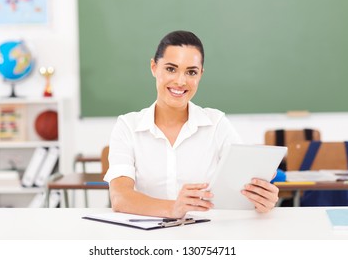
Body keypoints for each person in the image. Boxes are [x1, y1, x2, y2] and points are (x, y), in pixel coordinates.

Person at [103, 30, 279, 218]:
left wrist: (261, 200)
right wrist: (173, 208)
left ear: (200, 74)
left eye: (191, 72)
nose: (180, 81)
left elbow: (242, 189)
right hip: (149, 240)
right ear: (154, 67)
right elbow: (120, 197)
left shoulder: (216, 124)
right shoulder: (128, 126)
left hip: (207, 237)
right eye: (171, 69)